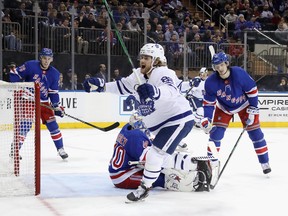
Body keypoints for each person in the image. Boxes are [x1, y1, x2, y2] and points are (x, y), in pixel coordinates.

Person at [83, 43, 203, 202]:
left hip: (178, 119)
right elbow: (121, 86)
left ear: (156, 60)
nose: (142, 60)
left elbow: (171, 91)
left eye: (147, 57)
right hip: (162, 125)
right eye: (142, 57)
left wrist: (155, 91)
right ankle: (199, 167)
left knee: (155, 154)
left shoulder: (162, 72)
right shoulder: (137, 76)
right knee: (162, 157)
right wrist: (101, 86)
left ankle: (145, 188)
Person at [200, 51, 271, 176]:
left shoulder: (238, 73)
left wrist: (253, 109)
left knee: (256, 134)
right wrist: (206, 119)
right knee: (215, 135)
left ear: (227, 63)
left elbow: (252, 91)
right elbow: (209, 103)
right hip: (224, 108)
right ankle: (211, 166)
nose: (220, 68)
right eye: (217, 66)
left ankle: (265, 163)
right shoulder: (210, 82)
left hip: (245, 105)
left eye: (222, 65)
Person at [109, 112, 212, 192]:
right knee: (161, 176)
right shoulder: (136, 137)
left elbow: (141, 145)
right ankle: (191, 185)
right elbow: (150, 159)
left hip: (126, 167)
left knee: (158, 163)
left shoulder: (128, 128)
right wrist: (181, 162)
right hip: (122, 176)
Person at [9, 48, 68, 160]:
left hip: (44, 102)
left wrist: (56, 106)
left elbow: (53, 92)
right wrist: (18, 88)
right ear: (40, 58)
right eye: (44, 58)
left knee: (53, 125)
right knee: (25, 125)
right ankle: (15, 149)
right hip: (29, 99)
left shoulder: (55, 73)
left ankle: (60, 149)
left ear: (51, 59)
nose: (46, 61)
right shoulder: (30, 65)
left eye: (48, 59)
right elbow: (14, 73)